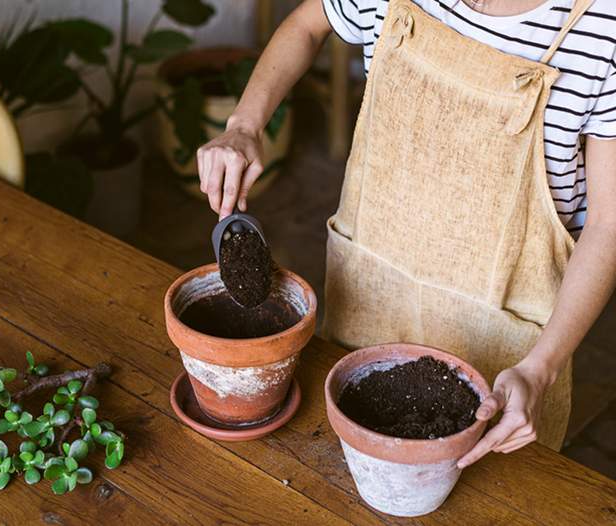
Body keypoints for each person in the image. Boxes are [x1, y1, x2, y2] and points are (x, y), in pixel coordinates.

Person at [196, 0, 616, 468]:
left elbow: (607, 226)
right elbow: (308, 24)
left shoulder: (601, 27)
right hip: (369, 310)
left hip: (506, 363)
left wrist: (540, 371)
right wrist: (245, 124)